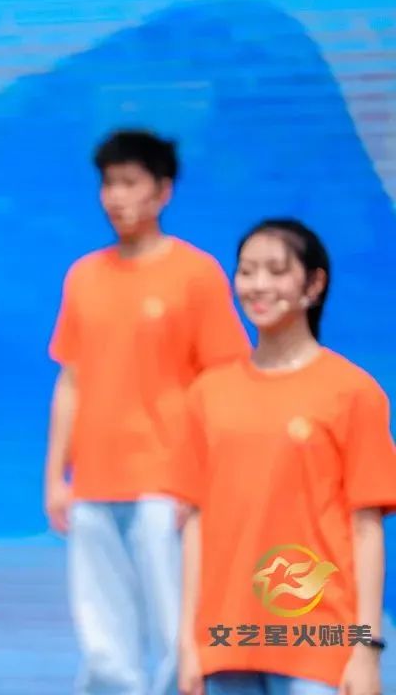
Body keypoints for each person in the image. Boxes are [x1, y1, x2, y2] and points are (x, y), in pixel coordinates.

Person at [44, 129, 252, 694]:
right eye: (109, 183)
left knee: (176, 629)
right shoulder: (85, 276)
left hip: (166, 484)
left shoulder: (196, 274)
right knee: (103, 640)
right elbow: (71, 380)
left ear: (163, 191)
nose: (116, 196)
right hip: (93, 485)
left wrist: (203, 480)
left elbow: (223, 384)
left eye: (130, 183)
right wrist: (56, 477)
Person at [173, 218, 395, 695]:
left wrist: (366, 648)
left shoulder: (354, 393)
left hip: (319, 644)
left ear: (313, 284)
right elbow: (196, 523)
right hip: (227, 641)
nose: (258, 286)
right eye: (247, 271)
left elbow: (366, 530)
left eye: (276, 271)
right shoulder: (208, 394)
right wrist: (188, 641)